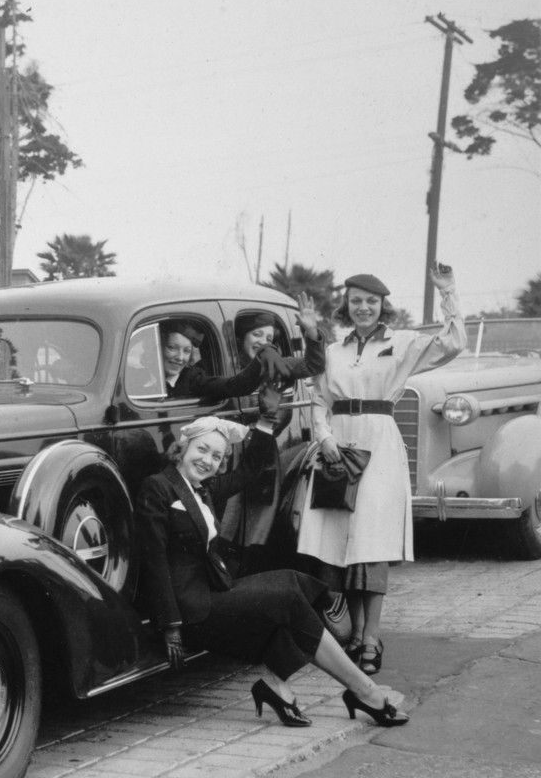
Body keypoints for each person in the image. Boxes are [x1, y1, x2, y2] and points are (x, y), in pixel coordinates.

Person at [135, 415, 407, 729]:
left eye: (217, 456)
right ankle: (361, 689)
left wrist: (265, 423)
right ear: (182, 448)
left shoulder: (203, 489)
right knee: (290, 594)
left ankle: (290, 688)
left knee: (292, 592)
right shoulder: (157, 487)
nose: (207, 461)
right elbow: (153, 560)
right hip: (188, 610)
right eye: (202, 449)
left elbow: (250, 470)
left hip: (211, 592)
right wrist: (171, 625)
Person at [296, 265, 465, 675]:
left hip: (379, 445)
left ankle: (371, 637)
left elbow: (454, 342)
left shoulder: (402, 343)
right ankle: (354, 634)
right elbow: (318, 400)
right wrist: (325, 439)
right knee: (342, 544)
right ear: (346, 305)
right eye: (356, 301)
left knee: (371, 541)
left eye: (371, 302)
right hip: (338, 445)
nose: (363, 308)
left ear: (382, 306)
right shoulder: (332, 350)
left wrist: (448, 292)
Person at [219, 295, 326, 571]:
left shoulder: (280, 363)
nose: (262, 342)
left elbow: (314, 365)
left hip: (266, 454)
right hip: (232, 452)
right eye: (256, 334)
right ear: (241, 338)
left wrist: (312, 333)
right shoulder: (232, 369)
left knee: (259, 522)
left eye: (268, 336)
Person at [160, 319, 293, 402]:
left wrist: (262, 360)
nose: (180, 357)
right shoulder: (142, 378)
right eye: (172, 348)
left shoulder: (193, 377)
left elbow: (232, 385)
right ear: (159, 348)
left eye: (187, 351)